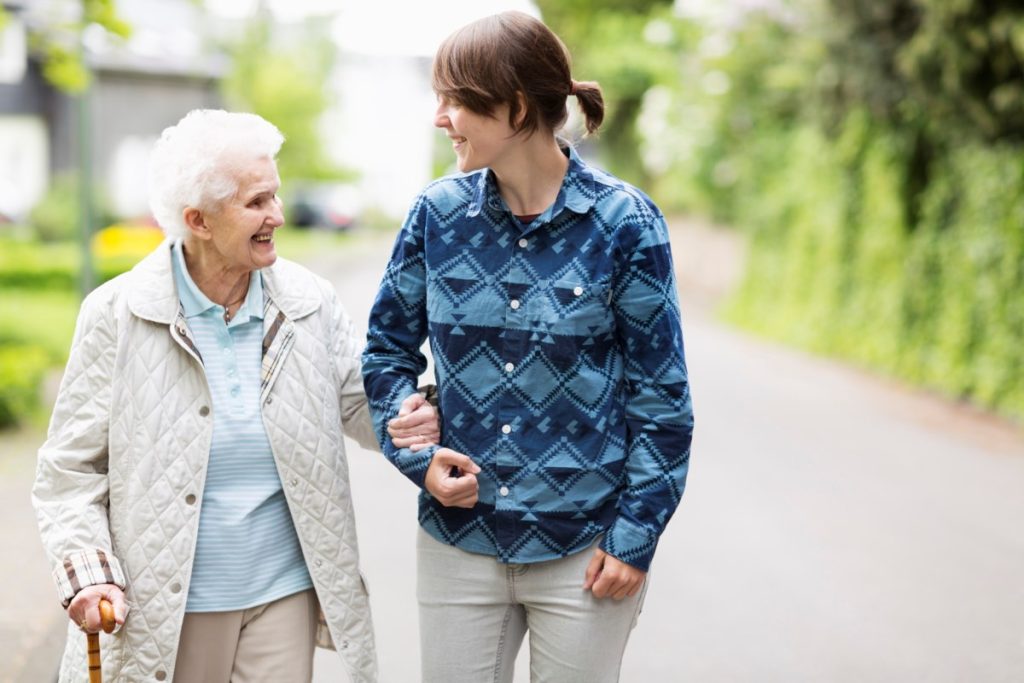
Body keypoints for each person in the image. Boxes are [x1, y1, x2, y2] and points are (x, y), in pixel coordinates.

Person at [32, 109, 438, 683]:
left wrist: (413, 411)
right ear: (198, 220)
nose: (277, 215)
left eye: (275, 196)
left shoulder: (308, 301)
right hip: (169, 603)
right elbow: (69, 471)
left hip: (284, 594)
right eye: (256, 203)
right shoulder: (116, 314)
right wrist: (89, 572)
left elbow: (359, 403)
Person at [361, 11, 694, 683]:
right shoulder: (436, 215)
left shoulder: (625, 224)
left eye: (455, 100)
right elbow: (385, 353)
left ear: (515, 107)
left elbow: (662, 399)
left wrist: (635, 536)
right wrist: (412, 450)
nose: (440, 117)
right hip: (458, 541)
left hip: (586, 549)